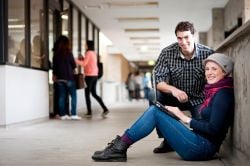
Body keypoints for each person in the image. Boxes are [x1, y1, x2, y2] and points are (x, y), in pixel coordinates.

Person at [91, 53, 234, 162]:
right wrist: (178, 117)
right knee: (158, 110)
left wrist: (184, 118)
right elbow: (207, 122)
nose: (209, 72)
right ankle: (120, 145)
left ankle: (120, 147)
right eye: (207, 69)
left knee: (154, 112)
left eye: (214, 69)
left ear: (225, 72)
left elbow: (214, 129)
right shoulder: (214, 91)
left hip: (201, 148)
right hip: (198, 140)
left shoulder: (223, 94)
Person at [151, 21, 214, 153]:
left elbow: (214, 81)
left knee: (201, 136)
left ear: (193, 36)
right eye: (179, 38)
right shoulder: (167, 53)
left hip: (198, 99)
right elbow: (158, 81)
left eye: (186, 37)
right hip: (173, 98)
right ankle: (167, 140)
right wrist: (173, 90)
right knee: (153, 95)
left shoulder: (208, 53)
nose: (183, 42)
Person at [75, 40, 109, 117]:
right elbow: (89, 62)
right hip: (95, 75)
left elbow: (84, 64)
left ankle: (89, 112)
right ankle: (105, 108)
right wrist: (83, 58)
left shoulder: (88, 53)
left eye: (85, 44)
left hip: (89, 76)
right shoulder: (93, 53)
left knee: (87, 94)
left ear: (88, 45)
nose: (84, 46)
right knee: (93, 93)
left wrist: (75, 60)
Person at [52, 35, 81, 120]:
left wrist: (54, 76)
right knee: (73, 96)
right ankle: (74, 114)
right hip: (69, 78)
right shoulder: (69, 53)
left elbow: (54, 67)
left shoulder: (56, 55)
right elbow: (74, 65)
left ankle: (63, 115)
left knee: (62, 96)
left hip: (60, 79)